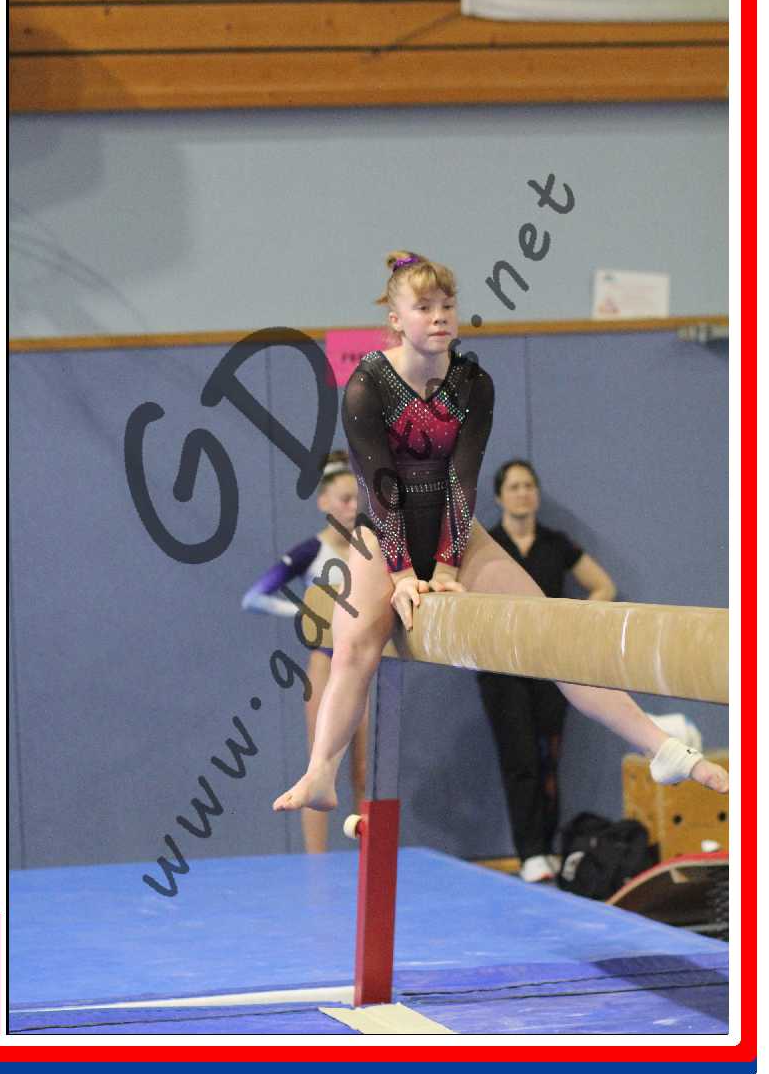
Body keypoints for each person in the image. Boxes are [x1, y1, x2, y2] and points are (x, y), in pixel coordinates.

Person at [272, 250, 729, 819]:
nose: (439, 316)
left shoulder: (472, 383)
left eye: (447, 305)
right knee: (355, 646)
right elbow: (379, 485)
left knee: (552, 638)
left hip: (455, 533)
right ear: (396, 319)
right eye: (424, 307)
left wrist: (444, 566)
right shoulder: (368, 384)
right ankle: (321, 772)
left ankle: (661, 748)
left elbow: (462, 479)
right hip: (383, 537)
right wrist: (403, 573)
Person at [478, 459, 617, 883]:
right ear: (500, 496)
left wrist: (573, 621)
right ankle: (530, 852)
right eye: (514, 487)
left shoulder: (557, 544)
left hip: (550, 663)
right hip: (501, 666)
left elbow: (604, 586)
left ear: (537, 493)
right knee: (518, 759)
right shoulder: (486, 546)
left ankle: (550, 846)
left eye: (529, 486)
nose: (523, 493)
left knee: (548, 758)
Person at [242, 452, 367, 852]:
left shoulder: (371, 551)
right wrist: (306, 611)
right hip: (326, 663)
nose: (352, 507)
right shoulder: (310, 551)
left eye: (357, 498)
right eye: (344, 499)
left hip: (365, 664)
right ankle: (315, 863)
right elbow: (253, 598)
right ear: (324, 502)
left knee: (365, 769)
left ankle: (371, 860)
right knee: (319, 765)